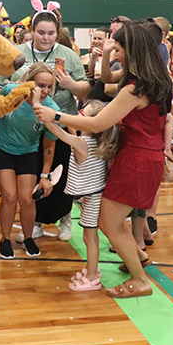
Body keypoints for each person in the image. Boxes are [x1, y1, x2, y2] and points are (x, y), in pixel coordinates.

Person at [35, 21, 173, 299]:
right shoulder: (155, 82)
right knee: (116, 221)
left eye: (119, 50)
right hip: (145, 158)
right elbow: (107, 84)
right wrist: (108, 53)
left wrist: (55, 115)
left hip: (137, 160)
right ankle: (138, 258)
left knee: (109, 224)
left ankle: (140, 280)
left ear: (133, 50)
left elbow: (97, 123)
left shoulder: (135, 89)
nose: (117, 54)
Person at [1, 0, 89, 242]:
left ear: (57, 32)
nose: (46, 38)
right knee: (33, 174)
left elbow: (85, 89)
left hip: (59, 124)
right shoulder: (17, 53)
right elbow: (0, 84)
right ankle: (36, 221)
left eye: (51, 33)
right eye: (41, 33)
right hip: (26, 128)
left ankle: (65, 218)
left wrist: (70, 84)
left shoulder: (68, 54)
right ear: (32, 30)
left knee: (60, 173)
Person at [43, 100, 118, 292]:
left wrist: (46, 116)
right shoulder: (98, 142)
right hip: (96, 195)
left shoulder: (82, 143)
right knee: (90, 237)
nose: (79, 114)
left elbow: (58, 132)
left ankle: (92, 277)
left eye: (83, 113)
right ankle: (91, 269)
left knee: (89, 238)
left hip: (93, 198)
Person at [0, 63, 60, 259]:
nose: (45, 90)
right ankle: (5, 240)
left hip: (27, 151)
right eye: (41, 85)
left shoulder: (51, 109)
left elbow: (49, 147)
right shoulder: (11, 91)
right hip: (0, 147)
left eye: (49, 86)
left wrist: (45, 176)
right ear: (29, 82)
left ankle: (29, 238)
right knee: (10, 195)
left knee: (27, 198)